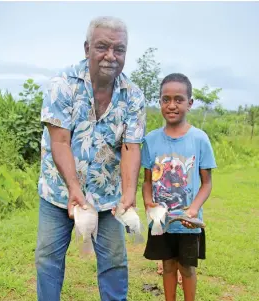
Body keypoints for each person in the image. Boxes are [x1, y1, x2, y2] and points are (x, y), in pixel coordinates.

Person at [35, 16, 146, 301]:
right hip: (58, 192)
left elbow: (131, 147)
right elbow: (59, 141)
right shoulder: (62, 85)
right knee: (48, 259)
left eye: (119, 49)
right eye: (102, 47)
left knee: (114, 262)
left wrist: (130, 193)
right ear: (87, 48)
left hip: (108, 196)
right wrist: (73, 188)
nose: (111, 56)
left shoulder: (133, 96)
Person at [141, 73, 216, 301]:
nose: (171, 105)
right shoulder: (150, 141)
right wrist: (147, 203)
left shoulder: (199, 139)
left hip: (188, 223)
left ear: (189, 103)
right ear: (160, 102)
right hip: (161, 222)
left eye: (178, 99)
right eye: (166, 99)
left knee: (187, 269)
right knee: (168, 265)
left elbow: (207, 183)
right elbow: (146, 181)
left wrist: (193, 209)